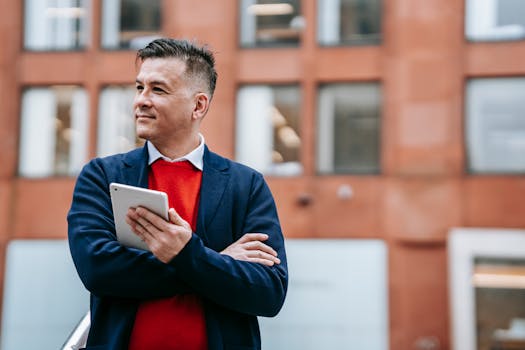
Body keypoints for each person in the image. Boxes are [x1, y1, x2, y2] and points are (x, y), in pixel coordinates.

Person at [67, 38, 288, 350]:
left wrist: (188, 254)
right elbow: (99, 270)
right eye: (139, 87)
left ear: (198, 105)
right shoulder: (102, 176)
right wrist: (212, 260)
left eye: (158, 90)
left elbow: (269, 293)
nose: (141, 100)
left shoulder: (246, 185)